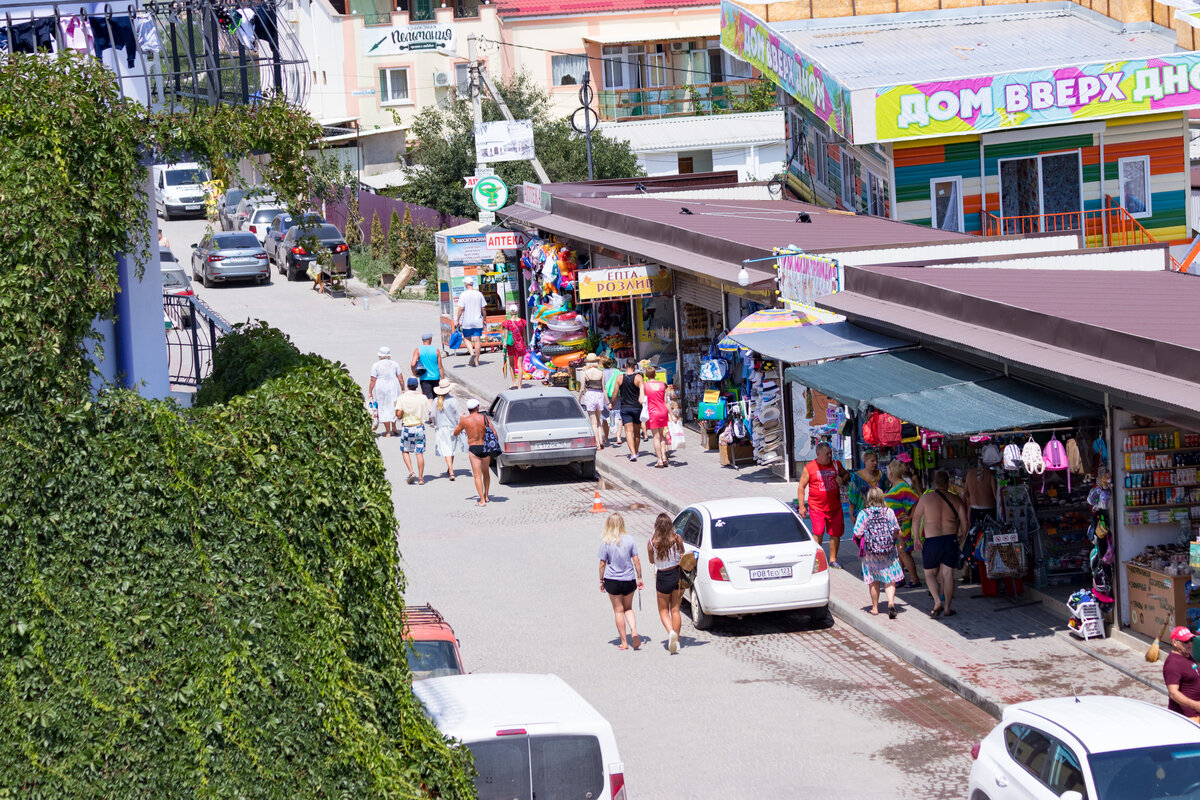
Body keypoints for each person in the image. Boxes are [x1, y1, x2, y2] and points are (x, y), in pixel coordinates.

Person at [911, 470, 968, 618]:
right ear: (948, 482)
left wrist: (916, 538)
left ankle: (937, 601)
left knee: (929, 574)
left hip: (932, 540)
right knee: (948, 574)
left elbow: (916, 519)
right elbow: (965, 523)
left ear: (934, 482)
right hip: (950, 540)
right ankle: (948, 607)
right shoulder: (956, 499)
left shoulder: (926, 498)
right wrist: (961, 538)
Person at [851, 487, 904, 618]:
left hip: (871, 553)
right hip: (889, 551)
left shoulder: (864, 513)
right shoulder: (889, 512)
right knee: (890, 579)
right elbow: (897, 530)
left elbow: (857, 533)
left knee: (874, 580)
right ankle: (891, 603)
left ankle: (875, 608)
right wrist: (901, 543)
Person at [796, 442, 850, 568]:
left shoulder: (836, 464)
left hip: (835, 507)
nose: (830, 456)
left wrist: (842, 480)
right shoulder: (809, 468)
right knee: (818, 534)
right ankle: (817, 560)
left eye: (830, 453)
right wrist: (802, 506)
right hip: (817, 508)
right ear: (818, 454)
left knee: (835, 533)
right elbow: (801, 487)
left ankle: (833, 560)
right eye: (827, 454)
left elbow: (846, 474)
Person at [597, 512, 644, 650]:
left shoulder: (606, 541)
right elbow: (636, 560)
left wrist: (601, 580)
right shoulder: (630, 539)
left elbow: (602, 564)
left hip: (612, 579)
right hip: (629, 579)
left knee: (618, 611)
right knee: (628, 608)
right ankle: (633, 631)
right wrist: (639, 577)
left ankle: (624, 642)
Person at [647, 513, 683, 653]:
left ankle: (670, 632)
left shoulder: (651, 543)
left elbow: (651, 561)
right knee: (675, 610)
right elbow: (682, 552)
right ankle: (677, 641)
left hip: (662, 576)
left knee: (663, 611)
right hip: (676, 574)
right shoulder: (677, 539)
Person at [885, 459, 922, 588]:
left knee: (903, 552)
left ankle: (914, 579)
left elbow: (916, 500)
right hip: (897, 526)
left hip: (903, 526)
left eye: (888, 470)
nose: (887, 473)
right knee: (900, 552)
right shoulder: (896, 485)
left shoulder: (902, 486)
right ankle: (900, 578)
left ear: (892, 473)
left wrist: (911, 515)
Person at [453, 398, 492, 506]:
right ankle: (487, 496)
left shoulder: (465, 420)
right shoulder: (485, 418)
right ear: (477, 407)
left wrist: (461, 419)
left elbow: (455, 433)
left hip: (474, 448)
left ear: (468, 409)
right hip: (485, 447)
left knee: (477, 475)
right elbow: (493, 432)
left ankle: (482, 500)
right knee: (486, 473)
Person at [395, 377, 432, 485]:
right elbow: (429, 411)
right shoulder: (422, 397)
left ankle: (411, 471)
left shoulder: (402, 398)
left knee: (405, 450)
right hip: (419, 427)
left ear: (407, 386)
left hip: (407, 427)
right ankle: (421, 478)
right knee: (419, 453)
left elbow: (398, 414)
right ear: (417, 386)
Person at [432, 380, 467, 481]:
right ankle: (450, 469)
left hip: (441, 428)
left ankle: (450, 469)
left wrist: (435, 423)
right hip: (452, 427)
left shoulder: (435, 401)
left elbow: (433, 415)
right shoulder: (453, 400)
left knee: (446, 449)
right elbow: (458, 415)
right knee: (451, 448)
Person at [1163, 627, 1200, 720]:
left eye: (1191, 640)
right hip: (1187, 717)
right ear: (1175, 642)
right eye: (1186, 641)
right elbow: (1173, 693)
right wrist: (1196, 705)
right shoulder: (1173, 663)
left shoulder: (1187, 655)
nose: (1190, 644)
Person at [368, 346, 403, 438]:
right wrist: (403, 388)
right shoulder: (395, 364)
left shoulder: (376, 365)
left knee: (383, 406)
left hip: (381, 387)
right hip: (394, 386)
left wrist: (370, 391)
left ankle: (387, 431)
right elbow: (400, 378)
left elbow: (373, 380)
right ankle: (394, 427)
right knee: (394, 405)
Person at [613, 359, 644, 461]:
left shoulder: (620, 378)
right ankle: (637, 450)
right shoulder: (639, 377)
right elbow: (643, 393)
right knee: (636, 431)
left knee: (628, 431)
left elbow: (615, 394)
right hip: (636, 407)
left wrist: (612, 405)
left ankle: (632, 453)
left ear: (625, 365)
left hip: (625, 407)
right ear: (635, 366)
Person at [640, 363, 670, 468]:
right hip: (663, 411)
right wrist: (672, 415)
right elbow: (666, 401)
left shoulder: (645, 385)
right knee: (662, 436)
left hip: (653, 413)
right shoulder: (662, 385)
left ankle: (659, 460)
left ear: (646, 375)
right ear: (655, 373)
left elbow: (641, 400)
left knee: (655, 437)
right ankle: (665, 457)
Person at [454, 277, 487, 367]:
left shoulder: (463, 295)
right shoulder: (479, 294)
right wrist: (484, 318)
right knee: (477, 341)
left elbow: (461, 308)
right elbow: (483, 308)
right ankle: (476, 361)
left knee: (466, 338)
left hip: (467, 321)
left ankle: (472, 353)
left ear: (466, 284)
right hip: (478, 321)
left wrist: (457, 320)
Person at [848, 450, 890, 520]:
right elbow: (852, 498)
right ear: (865, 461)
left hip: (881, 514)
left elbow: (887, 493)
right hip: (863, 516)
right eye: (872, 461)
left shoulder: (882, 476)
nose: (875, 463)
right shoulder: (856, 477)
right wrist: (852, 515)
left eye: (876, 461)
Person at [578, 353, 608, 448]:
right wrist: (608, 402)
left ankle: (597, 444)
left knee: (593, 422)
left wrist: (578, 399)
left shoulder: (585, 373)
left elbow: (582, 389)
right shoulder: (601, 372)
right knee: (599, 420)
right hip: (599, 395)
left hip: (590, 395)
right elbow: (604, 388)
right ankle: (601, 440)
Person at [962, 457, 998, 528]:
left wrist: (970, 503)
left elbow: (965, 493)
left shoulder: (969, 474)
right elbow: (996, 496)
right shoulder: (991, 474)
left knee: (975, 536)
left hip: (974, 510)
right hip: (989, 511)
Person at [500, 305, 528, 389]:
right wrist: (525, 344)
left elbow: (505, 337)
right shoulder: (522, 322)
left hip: (511, 345)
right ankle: (520, 385)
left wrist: (504, 349)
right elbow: (524, 335)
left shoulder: (507, 323)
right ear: (517, 311)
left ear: (509, 312)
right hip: (520, 345)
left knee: (511, 364)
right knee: (520, 365)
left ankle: (514, 382)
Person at [411, 333, 443, 400]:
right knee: (436, 397)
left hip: (424, 378)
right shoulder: (436, 350)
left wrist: (415, 373)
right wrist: (442, 379)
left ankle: (431, 410)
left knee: (428, 397)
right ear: (430, 339)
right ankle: (436, 410)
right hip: (436, 377)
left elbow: (413, 364)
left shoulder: (418, 350)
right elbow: (440, 366)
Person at [601, 356, 619, 445]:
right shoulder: (616, 372)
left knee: (604, 418)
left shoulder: (601, 373)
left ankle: (606, 438)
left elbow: (602, 387)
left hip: (605, 397)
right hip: (616, 396)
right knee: (618, 417)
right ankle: (619, 437)